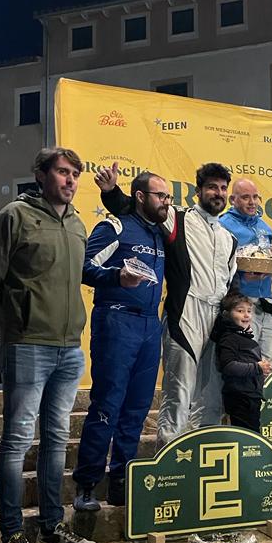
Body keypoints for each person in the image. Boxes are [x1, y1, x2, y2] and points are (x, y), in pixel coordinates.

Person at [0, 148, 97, 543]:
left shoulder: (78, 223)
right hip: (27, 343)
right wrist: (5, 328)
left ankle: (51, 528)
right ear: (41, 175)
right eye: (63, 172)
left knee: (56, 439)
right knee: (16, 440)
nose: (70, 180)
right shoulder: (15, 216)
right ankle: (12, 537)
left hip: (69, 347)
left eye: (75, 174)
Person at [96, 161, 237, 444]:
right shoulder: (177, 218)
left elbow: (228, 284)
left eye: (223, 188)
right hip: (185, 313)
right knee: (179, 391)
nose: (218, 193)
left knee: (211, 395)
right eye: (212, 187)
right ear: (198, 191)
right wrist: (111, 192)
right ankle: (169, 456)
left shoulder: (230, 239)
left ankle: (203, 453)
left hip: (217, 318)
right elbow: (134, 208)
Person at [72, 171, 168, 511]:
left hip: (150, 325)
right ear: (140, 197)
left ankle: (121, 480)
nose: (166, 202)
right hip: (116, 320)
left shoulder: (161, 233)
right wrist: (116, 276)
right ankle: (86, 484)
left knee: (137, 409)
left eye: (168, 197)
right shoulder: (114, 227)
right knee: (107, 404)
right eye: (160, 196)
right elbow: (83, 267)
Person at [218, 178, 272, 368]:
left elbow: (266, 258)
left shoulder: (264, 227)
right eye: (246, 197)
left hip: (266, 301)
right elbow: (218, 265)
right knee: (248, 360)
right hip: (241, 301)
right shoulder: (223, 225)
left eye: (255, 197)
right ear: (233, 200)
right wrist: (240, 276)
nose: (252, 202)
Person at [211, 294, 272, 432]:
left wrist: (261, 369)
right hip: (240, 397)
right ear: (227, 314)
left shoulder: (243, 337)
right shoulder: (229, 338)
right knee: (248, 436)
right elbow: (228, 366)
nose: (246, 315)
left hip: (251, 395)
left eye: (249, 311)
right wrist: (257, 367)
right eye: (240, 311)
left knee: (252, 433)